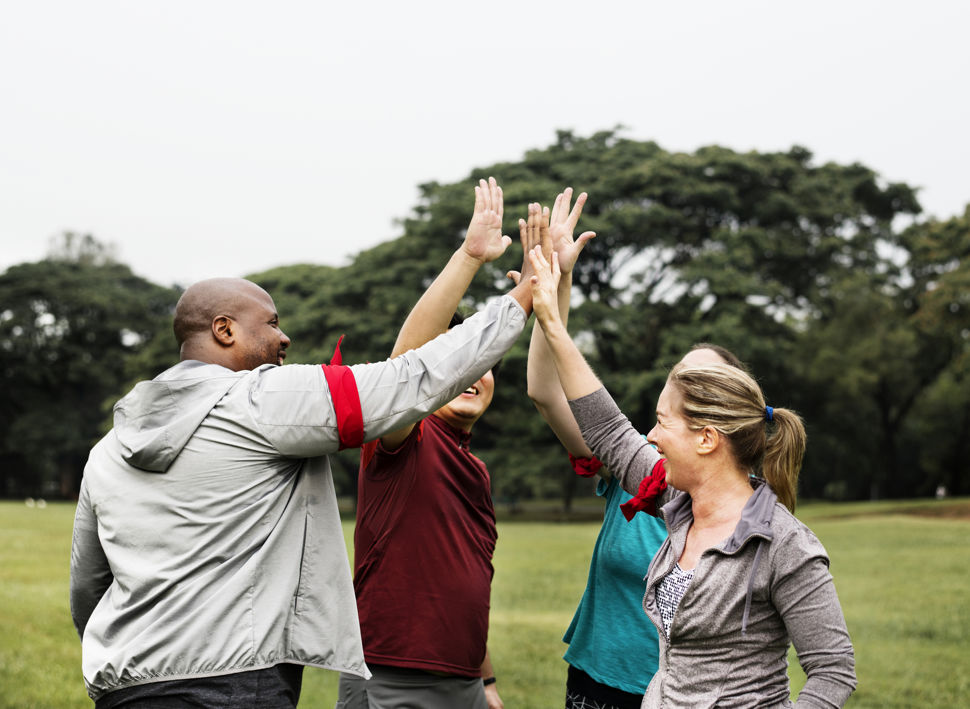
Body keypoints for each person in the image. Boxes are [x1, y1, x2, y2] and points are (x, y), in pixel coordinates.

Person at [69, 177, 542, 708]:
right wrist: (525, 293)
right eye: (271, 324)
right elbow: (409, 378)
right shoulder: (263, 399)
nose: (284, 338)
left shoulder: (107, 449)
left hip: (126, 685)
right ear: (224, 331)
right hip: (232, 681)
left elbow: (88, 586)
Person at [526, 244, 857, 707]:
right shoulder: (673, 501)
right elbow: (605, 426)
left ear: (706, 439)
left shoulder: (786, 546)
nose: (650, 436)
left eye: (663, 422)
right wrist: (552, 320)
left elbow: (833, 670)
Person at [336, 190, 551, 709]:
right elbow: (405, 366)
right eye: (458, 365)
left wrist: (487, 680)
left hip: (463, 679)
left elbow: (463, 581)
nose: (473, 375)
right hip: (394, 674)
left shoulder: (472, 464)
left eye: (483, 365)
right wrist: (470, 257)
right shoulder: (405, 438)